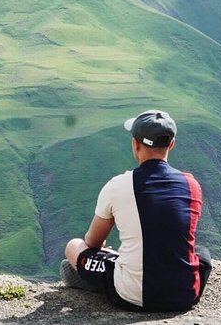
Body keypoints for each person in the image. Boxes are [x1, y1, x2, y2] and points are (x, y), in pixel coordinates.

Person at [61, 110, 211, 311]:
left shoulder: (118, 185)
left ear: (135, 143)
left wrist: (103, 250)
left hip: (132, 296)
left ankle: (95, 280)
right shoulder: (192, 184)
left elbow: (92, 242)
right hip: (185, 295)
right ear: (171, 144)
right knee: (200, 253)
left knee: (74, 246)